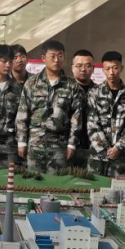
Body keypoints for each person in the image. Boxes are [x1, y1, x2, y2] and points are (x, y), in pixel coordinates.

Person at [15, 40, 84, 174]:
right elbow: (22, 114)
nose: (56, 60)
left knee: (56, 182)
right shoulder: (32, 83)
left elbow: (76, 118)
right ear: (43, 58)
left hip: (59, 145)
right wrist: (21, 142)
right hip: (35, 144)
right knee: (33, 181)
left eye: (60, 56)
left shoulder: (72, 85)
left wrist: (72, 144)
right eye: (52, 56)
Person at [87, 51, 125, 177]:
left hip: (120, 156)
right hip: (97, 155)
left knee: (116, 187)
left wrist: (118, 147)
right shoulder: (94, 93)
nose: (111, 72)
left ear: (121, 68)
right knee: (93, 186)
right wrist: (105, 148)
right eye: (107, 68)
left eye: (115, 68)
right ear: (103, 70)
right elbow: (92, 124)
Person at [69, 49, 95, 168]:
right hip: (68, 147)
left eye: (87, 66)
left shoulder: (99, 92)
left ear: (93, 68)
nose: (83, 69)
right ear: (72, 68)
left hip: (92, 147)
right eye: (79, 66)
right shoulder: (64, 90)